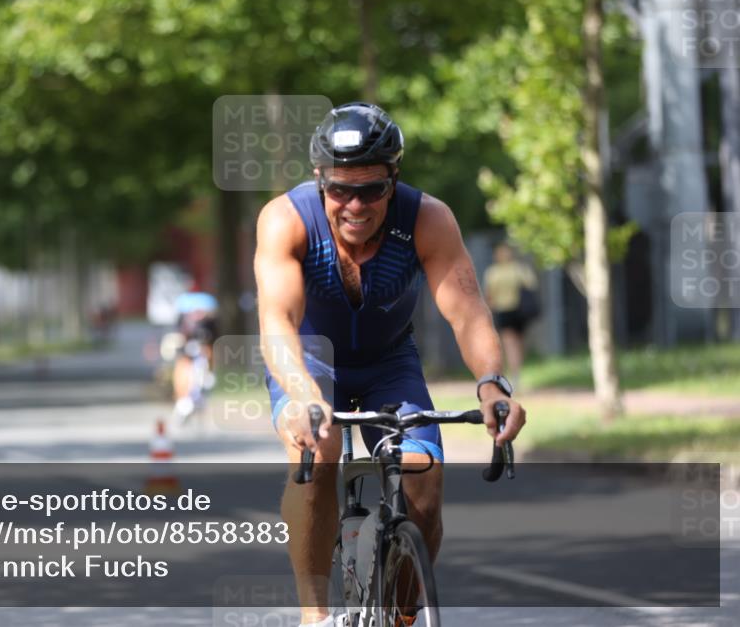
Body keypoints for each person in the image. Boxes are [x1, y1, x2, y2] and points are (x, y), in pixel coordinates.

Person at [254, 102, 526, 626]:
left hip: (389, 362)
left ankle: (401, 616)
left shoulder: (427, 218)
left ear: (394, 179)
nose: (355, 204)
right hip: (310, 361)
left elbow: (468, 313)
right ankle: (316, 618)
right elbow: (278, 321)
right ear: (319, 180)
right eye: (340, 189)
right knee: (320, 448)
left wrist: (492, 385)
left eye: (372, 190)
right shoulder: (286, 219)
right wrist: (305, 395)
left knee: (424, 481)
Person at [483, 243, 538, 388]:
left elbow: (489, 295)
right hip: (519, 311)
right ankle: (515, 373)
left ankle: (513, 374)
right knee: (518, 343)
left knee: (510, 343)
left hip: (505, 311)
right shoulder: (520, 269)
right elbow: (531, 286)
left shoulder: (493, 272)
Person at [170, 289, 218, 426]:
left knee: (200, 372)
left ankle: (196, 397)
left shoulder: (208, 324)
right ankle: (184, 402)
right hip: (188, 352)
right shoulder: (184, 321)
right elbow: (179, 338)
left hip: (202, 353)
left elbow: (211, 345)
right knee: (183, 369)